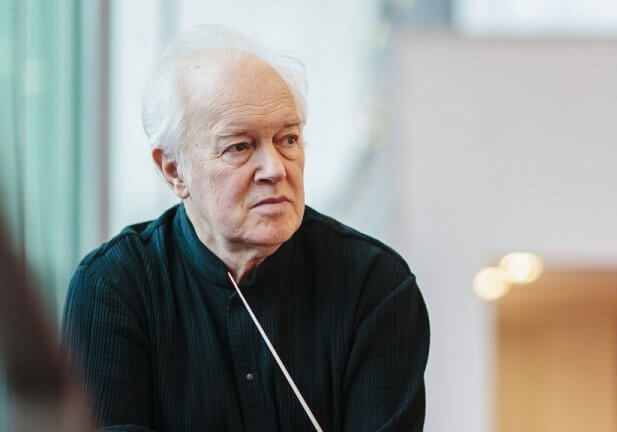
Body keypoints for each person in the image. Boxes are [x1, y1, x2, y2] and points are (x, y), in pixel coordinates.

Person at [62, 25, 429, 432]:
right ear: (174, 170)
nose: (275, 170)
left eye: (288, 139)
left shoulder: (374, 284)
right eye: (239, 146)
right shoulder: (114, 286)